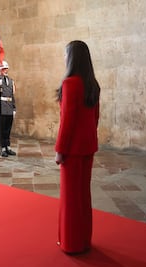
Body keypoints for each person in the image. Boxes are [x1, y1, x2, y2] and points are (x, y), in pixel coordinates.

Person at [55, 40, 100, 254]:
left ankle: (71, 243)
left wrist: (60, 150)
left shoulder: (70, 84)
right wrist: (88, 139)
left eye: (65, 54)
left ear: (72, 57)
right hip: (88, 146)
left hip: (72, 150)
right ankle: (83, 240)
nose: (64, 58)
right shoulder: (93, 84)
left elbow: (67, 121)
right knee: (83, 196)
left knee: (71, 198)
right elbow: (95, 118)